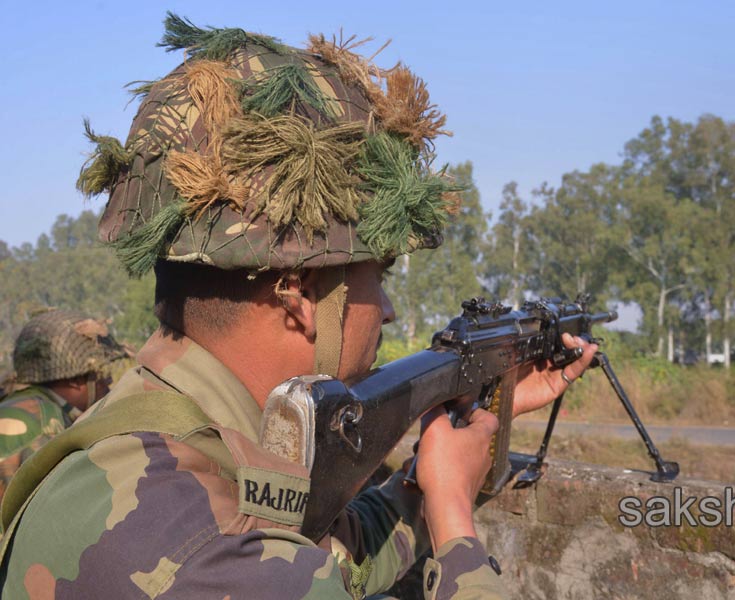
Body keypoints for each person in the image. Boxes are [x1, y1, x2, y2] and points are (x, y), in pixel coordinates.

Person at [0, 14, 597, 599]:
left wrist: (433, 481)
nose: (386, 311)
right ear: (300, 295)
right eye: (378, 279)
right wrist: (456, 528)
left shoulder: (162, 441)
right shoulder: (196, 549)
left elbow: (326, 563)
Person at [0, 308, 128, 500]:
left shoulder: (21, 403)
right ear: (75, 379)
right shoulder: (46, 423)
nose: (108, 381)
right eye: (100, 372)